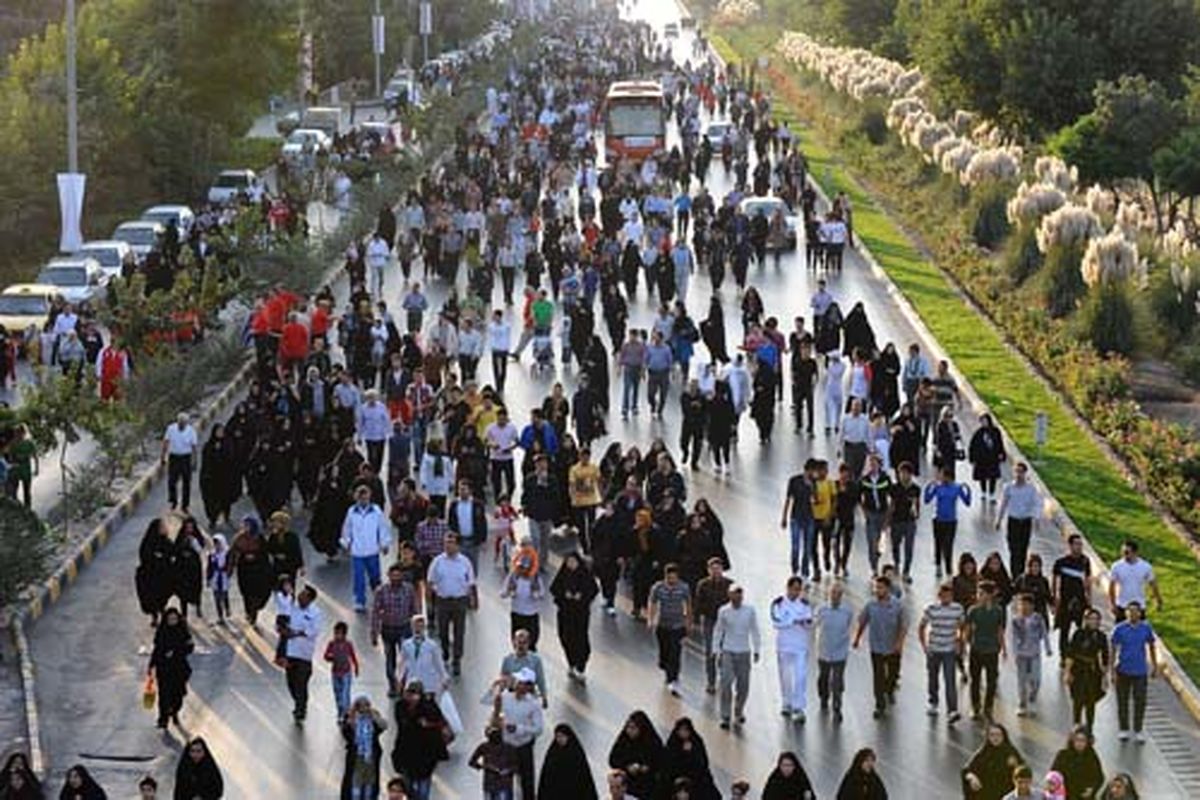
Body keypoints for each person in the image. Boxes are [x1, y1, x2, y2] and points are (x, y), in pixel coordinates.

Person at [854, 575, 907, 719]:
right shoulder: (870, 605)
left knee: (892, 674)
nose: (877, 590)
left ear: (888, 589)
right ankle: (879, 705)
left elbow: (903, 626)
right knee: (878, 676)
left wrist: (899, 643)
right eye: (876, 587)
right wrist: (857, 638)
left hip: (893, 647)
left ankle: (889, 690)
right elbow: (862, 621)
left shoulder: (898, 605)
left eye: (880, 587)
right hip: (876, 646)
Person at [426, 532, 476, 677]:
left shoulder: (465, 562)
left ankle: (457, 660)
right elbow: (430, 581)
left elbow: (471, 582)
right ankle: (445, 651)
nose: (448, 546)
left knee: (459, 632)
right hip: (442, 601)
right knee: (442, 631)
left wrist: (473, 599)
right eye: (446, 543)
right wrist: (429, 601)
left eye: (452, 543)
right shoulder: (437, 561)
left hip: (460, 601)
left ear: (457, 545)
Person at [714, 584, 761, 730]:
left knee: (743, 685)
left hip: (744, 652)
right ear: (729, 595)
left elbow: (755, 630)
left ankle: (739, 710)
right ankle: (725, 715)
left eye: (740, 594)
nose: (738, 597)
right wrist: (716, 650)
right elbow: (718, 631)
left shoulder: (750, 611)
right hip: (728, 651)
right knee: (725, 683)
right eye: (735, 594)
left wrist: (757, 649)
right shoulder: (723, 611)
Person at [1110, 601, 1156, 743]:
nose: (1133, 614)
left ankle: (1138, 729)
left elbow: (1151, 646)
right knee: (1122, 701)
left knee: (1140, 701)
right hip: (1123, 670)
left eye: (1136, 611)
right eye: (1130, 611)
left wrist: (1154, 665)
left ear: (1140, 613)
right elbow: (1113, 648)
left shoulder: (1145, 629)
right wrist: (1111, 670)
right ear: (1126, 613)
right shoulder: (1119, 629)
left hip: (1140, 671)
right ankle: (1124, 729)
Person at [392, 681, 447, 800]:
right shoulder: (401, 706)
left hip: (425, 755)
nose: (411, 697)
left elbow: (437, 720)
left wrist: (427, 723)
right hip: (406, 753)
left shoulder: (428, 706)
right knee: (408, 788)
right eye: (409, 693)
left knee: (423, 789)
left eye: (414, 693)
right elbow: (403, 724)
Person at [549, 551, 599, 682]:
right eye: (568, 562)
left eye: (573, 562)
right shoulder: (563, 574)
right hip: (565, 612)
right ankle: (571, 663)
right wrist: (564, 594)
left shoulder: (585, 575)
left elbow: (593, 590)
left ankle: (581, 666)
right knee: (565, 637)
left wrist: (581, 596)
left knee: (581, 639)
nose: (571, 564)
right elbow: (554, 588)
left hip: (580, 613)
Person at [341, 485, 393, 612]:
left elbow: (382, 527)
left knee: (375, 577)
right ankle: (359, 601)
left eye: (366, 498)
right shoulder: (351, 512)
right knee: (358, 577)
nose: (363, 501)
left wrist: (384, 543)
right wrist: (346, 543)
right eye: (361, 498)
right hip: (357, 551)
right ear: (357, 499)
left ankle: (379, 599)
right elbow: (347, 528)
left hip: (372, 550)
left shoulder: (376, 511)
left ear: (369, 497)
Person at [496, 668, 544, 800]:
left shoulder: (534, 704)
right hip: (507, 745)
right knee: (504, 781)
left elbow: (539, 729)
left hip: (523, 746)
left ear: (529, 686)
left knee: (527, 782)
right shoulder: (505, 697)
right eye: (518, 681)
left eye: (522, 683)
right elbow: (493, 707)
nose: (518, 684)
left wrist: (519, 729)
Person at [770, 576, 814, 722]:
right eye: (794, 589)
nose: (796, 592)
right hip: (784, 646)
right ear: (788, 588)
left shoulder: (805, 604)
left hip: (800, 646)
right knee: (786, 677)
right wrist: (793, 620)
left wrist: (805, 623)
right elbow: (777, 622)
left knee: (800, 677)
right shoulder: (778, 603)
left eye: (799, 590)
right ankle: (786, 702)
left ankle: (798, 707)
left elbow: (810, 622)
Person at [919, 581, 964, 722]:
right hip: (934, 649)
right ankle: (933, 702)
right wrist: (924, 646)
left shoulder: (957, 609)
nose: (946, 599)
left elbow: (963, 626)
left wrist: (959, 641)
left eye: (949, 596)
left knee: (950, 679)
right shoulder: (931, 609)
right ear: (939, 596)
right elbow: (921, 626)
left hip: (949, 649)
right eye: (943, 596)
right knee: (933, 677)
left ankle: (952, 710)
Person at [372, 564, 418, 697]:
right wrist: (374, 633)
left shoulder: (409, 589)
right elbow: (375, 612)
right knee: (390, 659)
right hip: (388, 630)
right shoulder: (381, 591)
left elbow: (414, 609)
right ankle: (392, 685)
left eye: (398, 575)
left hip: (405, 628)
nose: (396, 578)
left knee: (406, 660)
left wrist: (417, 629)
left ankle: (405, 685)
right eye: (393, 575)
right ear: (389, 576)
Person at [965, 580, 1006, 721]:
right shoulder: (973, 611)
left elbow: (1000, 630)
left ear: (989, 595)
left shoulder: (998, 611)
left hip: (992, 650)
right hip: (976, 649)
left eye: (981, 593)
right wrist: (964, 645)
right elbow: (968, 629)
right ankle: (975, 706)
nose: (978, 595)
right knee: (975, 679)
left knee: (992, 681)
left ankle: (988, 707)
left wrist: (1004, 648)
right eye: (978, 593)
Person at [648, 564, 691, 696]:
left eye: (674, 578)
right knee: (665, 653)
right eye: (669, 578)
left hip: (678, 626)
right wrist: (650, 619)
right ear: (665, 576)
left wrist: (688, 622)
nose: (672, 580)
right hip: (663, 626)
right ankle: (665, 667)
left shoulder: (684, 587)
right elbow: (652, 603)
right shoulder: (658, 588)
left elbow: (688, 605)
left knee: (675, 653)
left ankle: (673, 679)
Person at [148, 606, 193, 729]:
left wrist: (176, 652)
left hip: (179, 669)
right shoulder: (161, 632)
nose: (172, 621)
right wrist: (151, 665)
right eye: (170, 619)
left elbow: (190, 647)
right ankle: (163, 719)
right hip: (163, 669)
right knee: (164, 695)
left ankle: (174, 712)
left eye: (174, 619)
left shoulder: (183, 631)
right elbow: (157, 649)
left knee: (177, 695)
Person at [1065, 607, 1109, 732]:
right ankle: (1076, 725)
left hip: (1093, 670)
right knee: (1077, 700)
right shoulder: (1078, 634)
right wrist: (1067, 672)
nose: (1094, 622)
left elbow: (1104, 657)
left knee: (1091, 701)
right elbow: (1070, 653)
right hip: (1078, 669)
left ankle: (1090, 728)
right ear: (1086, 620)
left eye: (1097, 619)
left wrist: (1105, 676)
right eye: (1091, 619)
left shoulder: (1101, 636)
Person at [693, 557, 733, 694]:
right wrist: (696, 619)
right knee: (710, 652)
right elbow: (698, 604)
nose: (716, 572)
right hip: (709, 621)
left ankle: (724, 679)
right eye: (713, 569)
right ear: (708, 570)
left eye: (718, 569)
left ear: (722, 569)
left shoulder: (730, 585)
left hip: (725, 623)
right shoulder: (702, 584)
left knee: (724, 652)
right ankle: (711, 682)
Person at [283, 585, 322, 723]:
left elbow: (314, 631)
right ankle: (298, 702)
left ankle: (301, 708)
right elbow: (282, 622)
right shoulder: (292, 608)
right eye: (300, 593)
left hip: (304, 655)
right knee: (290, 683)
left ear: (310, 599)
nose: (300, 596)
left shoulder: (315, 613)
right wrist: (284, 630)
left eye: (304, 595)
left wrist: (298, 633)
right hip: (290, 652)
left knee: (301, 683)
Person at [994, 462, 1041, 577]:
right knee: (1014, 549)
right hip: (1013, 522)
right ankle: (1014, 575)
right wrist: (998, 520)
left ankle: (1021, 574)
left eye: (1021, 472)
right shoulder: (1008, 487)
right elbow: (1003, 504)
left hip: (1025, 522)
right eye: (1017, 471)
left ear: (1025, 473)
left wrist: (1036, 519)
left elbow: (1036, 504)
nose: (1018, 474)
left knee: (1023, 550)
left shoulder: (1031, 489)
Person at [924, 466, 971, 578]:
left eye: (945, 477)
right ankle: (938, 565)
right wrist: (929, 487)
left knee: (948, 544)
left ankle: (948, 568)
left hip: (951, 520)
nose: (943, 479)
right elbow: (927, 500)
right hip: (938, 519)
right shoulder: (937, 487)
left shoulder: (957, 488)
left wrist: (967, 490)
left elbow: (967, 502)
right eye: (942, 476)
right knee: (938, 543)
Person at [815, 581, 853, 723]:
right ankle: (824, 697)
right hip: (824, 650)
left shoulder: (847, 611)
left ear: (842, 596)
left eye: (838, 594)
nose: (835, 597)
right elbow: (815, 624)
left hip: (840, 651)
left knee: (837, 680)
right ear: (829, 594)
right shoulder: (821, 609)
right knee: (824, 678)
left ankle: (837, 707)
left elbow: (849, 625)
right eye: (833, 593)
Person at [1052, 535, 1093, 663]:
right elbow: (1054, 581)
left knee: (1083, 629)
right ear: (1070, 545)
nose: (1079, 547)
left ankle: (1080, 655)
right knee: (1064, 630)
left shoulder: (1085, 561)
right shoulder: (1061, 562)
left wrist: (1089, 599)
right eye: (1076, 544)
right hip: (1065, 600)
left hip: (1080, 601)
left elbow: (1087, 581)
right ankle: (1063, 656)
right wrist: (1055, 599)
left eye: (1081, 544)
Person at [1011, 593, 1052, 716]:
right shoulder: (1016, 621)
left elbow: (1044, 633)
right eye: (1021, 604)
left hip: (1035, 654)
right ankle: (1022, 704)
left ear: (1032, 606)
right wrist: (1015, 653)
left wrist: (1047, 648)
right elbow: (1014, 637)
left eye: (1027, 604)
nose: (1024, 607)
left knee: (1036, 679)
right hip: (1021, 655)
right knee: (1022, 681)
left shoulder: (1038, 618)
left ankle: (1032, 698)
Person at [341, 695, 388, 800]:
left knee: (369, 784)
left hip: (371, 757)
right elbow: (346, 734)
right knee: (355, 784)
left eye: (366, 705)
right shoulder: (351, 718)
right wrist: (351, 718)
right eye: (360, 706)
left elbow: (384, 726)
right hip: (356, 757)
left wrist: (373, 715)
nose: (364, 708)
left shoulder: (373, 718)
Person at [659, 718, 719, 800]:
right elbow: (668, 762)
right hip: (675, 776)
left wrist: (691, 752)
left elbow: (703, 763)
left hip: (695, 777)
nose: (683, 733)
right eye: (680, 730)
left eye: (686, 730)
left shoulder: (696, 742)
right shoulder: (672, 743)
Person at [607, 712, 662, 800]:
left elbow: (660, 763)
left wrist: (645, 768)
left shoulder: (653, 742)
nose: (629, 731)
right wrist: (627, 766)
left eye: (633, 728)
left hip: (647, 788)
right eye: (628, 727)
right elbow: (613, 759)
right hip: (628, 786)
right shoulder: (624, 740)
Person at [962, 724, 1025, 800]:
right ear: (988, 737)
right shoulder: (983, 752)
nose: (995, 738)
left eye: (998, 735)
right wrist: (971, 777)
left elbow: (1024, 772)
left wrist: (1016, 765)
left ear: (1003, 736)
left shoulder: (1011, 752)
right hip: (985, 794)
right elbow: (967, 770)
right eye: (992, 735)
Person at [1107, 540, 1162, 622]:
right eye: (1122, 552)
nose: (1123, 555)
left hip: (1139, 606)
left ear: (1135, 552)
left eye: (1126, 552)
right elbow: (1111, 586)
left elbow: (1153, 584)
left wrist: (1158, 600)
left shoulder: (1145, 567)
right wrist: (1112, 604)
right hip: (1122, 605)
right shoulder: (1116, 566)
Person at [537, 724, 596, 800]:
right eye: (557, 736)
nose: (560, 739)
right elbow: (546, 776)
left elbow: (584, 777)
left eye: (562, 736)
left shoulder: (576, 753)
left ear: (568, 736)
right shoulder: (552, 753)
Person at [1050, 726, 1105, 800]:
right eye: (1077, 740)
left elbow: (1099, 777)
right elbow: (1054, 774)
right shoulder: (1063, 755)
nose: (1079, 743)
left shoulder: (1091, 756)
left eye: (1082, 740)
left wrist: (1092, 790)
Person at [469, 725, 519, 800]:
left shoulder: (484, 747)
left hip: (493, 784)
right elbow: (517, 766)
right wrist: (507, 771)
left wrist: (483, 766)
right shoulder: (509, 747)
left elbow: (472, 762)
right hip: (501, 784)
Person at [161, 413, 199, 512]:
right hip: (174, 457)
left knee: (186, 482)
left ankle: (185, 505)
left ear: (186, 423)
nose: (181, 424)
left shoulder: (191, 431)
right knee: (172, 481)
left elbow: (194, 447)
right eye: (180, 422)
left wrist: (194, 461)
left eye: (183, 423)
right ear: (177, 421)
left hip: (186, 458)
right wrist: (163, 456)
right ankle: (173, 501)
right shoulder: (171, 429)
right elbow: (166, 442)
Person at [325, 621, 360, 721]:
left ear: (344, 634)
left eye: (339, 633)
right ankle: (340, 711)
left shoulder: (348, 644)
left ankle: (347, 712)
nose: (337, 636)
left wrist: (356, 667)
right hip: (335, 672)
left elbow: (353, 656)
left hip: (346, 672)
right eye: (336, 633)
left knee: (345, 693)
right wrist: (330, 657)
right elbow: (325, 655)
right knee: (337, 693)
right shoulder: (331, 644)